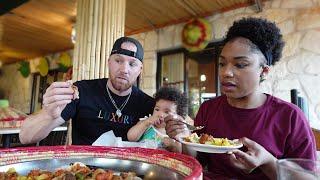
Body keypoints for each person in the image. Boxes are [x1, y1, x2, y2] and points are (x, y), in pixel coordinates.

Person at [165, 17, 316, 180]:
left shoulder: (290, 116)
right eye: (222, 64)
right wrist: (185, 138)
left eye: (240, 65)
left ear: (263, 72)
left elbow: (308, 178)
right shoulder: (209, 108)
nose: (226, 73)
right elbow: (198, 162)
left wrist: (267, 161)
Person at [19, 37, 155, 145]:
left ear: (140, 69)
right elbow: (25, 137)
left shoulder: (149, 105)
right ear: (109, 62)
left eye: (132, 64)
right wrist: (49, 115)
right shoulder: (82, 91)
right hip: (82, 171)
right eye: (118, 60)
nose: (124, 69)